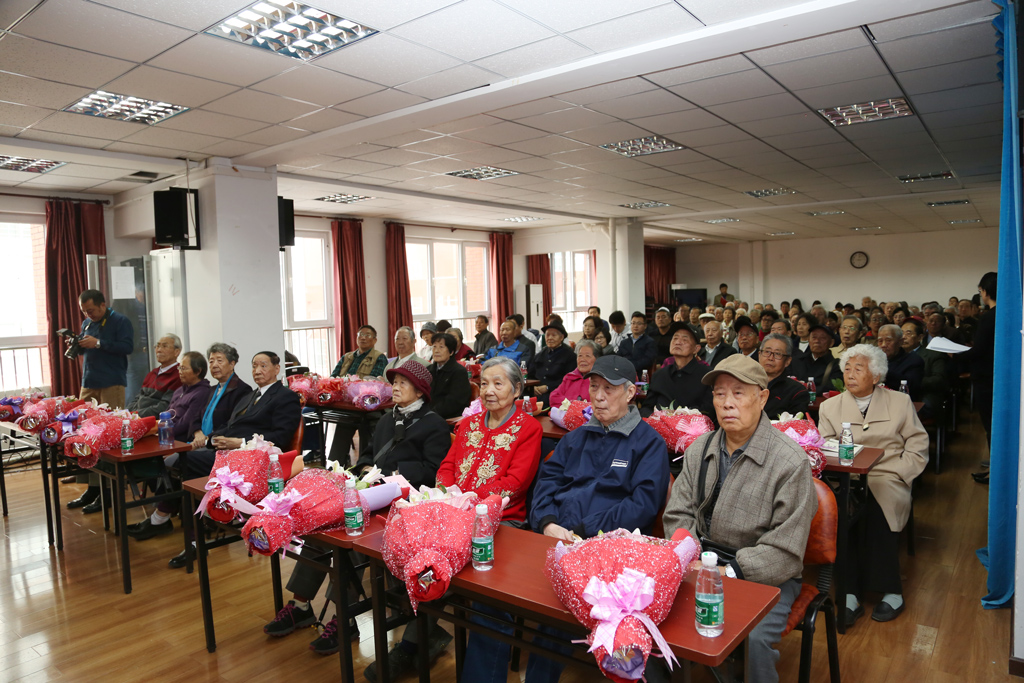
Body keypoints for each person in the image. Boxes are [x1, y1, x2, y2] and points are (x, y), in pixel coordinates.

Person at [460, 355, 667, 683]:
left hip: (602, 552)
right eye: (594, 387)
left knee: (556, 611)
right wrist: (547, 522)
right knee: (491, 598)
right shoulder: (577, 437)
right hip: (551, 538)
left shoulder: (648, 444)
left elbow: (641, 506)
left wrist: (581, 531)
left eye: (609, 389)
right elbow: (546, 483)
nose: (598, 396)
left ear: (630, 393)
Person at [267, 361, 451, 658]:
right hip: (370, 493)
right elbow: (366, 455)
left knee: (352, 535)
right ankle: (301, 605)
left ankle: (346, 617)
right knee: (320, 522)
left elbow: (432, 471)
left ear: (420, 391)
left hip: (403, 503)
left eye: (402, 383)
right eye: (394, 382)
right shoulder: (386, 419)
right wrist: (365, 469)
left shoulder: (435, 425)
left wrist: (391, 474)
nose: (395, 388)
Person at [662, 354, 816, 683]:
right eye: (719, 394)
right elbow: (678, 513)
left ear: (762, 398)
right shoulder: (700, 448)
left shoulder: (790, 462)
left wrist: (728, 572)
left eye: (738, 393)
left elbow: (786, 550)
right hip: (700, 560)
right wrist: (690, 556)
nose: (727, 403)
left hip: (766, 575)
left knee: (755, 639)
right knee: (655, 612)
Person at [131, 352, 301, 564]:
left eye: (263, 366)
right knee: (180, 461)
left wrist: (238, 442)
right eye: (254, 365)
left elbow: (281, 437)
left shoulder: (286, 397)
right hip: (227, 453)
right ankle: (178, 525)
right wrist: (209, 439)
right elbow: (229, 426)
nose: (257, 371)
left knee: (185, 463)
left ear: (277, 369)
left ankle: (189, 536)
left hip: (252, 461)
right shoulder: (251, 396)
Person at [818, 345, 928, 626]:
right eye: (847, 368)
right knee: (842, 517)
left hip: (888, 475)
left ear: (876, 376)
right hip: (846, 478)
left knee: (878, 512)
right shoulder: (829, 406)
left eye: (859, 369)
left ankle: (892, 590)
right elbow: (822, 446)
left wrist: (901, 473)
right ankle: (849, 593)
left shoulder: (900, 402)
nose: (850, 374)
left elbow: (917, 445)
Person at [71, 289, 134, 408]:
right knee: (83, 415)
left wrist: (98, 343)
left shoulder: (120, 321)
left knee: (111, 417)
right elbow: (85, 350)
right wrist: (76, 344)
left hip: (111, 382)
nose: (87, 315)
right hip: (89, 380)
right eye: (84, 311)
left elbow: (127, 347)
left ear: (102, 305)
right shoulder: (86, 323)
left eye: (90, 311)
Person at [962, 272, 996, 482]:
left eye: (981, 291)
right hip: (995, 375)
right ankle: (996, 467)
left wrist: (957, 354)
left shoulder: (988, 317)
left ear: (985, 292)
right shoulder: (1007, 313)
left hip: (986, 378)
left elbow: (979, 351)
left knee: (991, 426)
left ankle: (995, 471)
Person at [641, 322, 712, 420]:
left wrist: (681, 417)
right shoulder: (659, 375)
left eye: (684, 339)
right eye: (675, 338)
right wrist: (654, 419)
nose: (678, 342)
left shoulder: (707, 376)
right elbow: (647, 407)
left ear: (696, 349)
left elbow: (710, 410)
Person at [901, 318, 949, 420]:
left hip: (924, 393)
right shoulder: (895, 355)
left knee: (923, 406)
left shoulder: (933, 355)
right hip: (899, 393)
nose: (903, 337)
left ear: (920, 337)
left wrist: (913, 382)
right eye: (901, 333)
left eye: (908, 333)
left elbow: (938, 379)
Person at [126, 333, 183, 417]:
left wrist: (136, 414)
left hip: (155, 420)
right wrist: (127, 412)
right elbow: (138, 398)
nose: (159, 350)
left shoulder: (179, 375)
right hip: (138, 417)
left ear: (176, 352)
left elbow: (164, 406)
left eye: (164, 346)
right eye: (157, 346)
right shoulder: (152, 373)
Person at [759, 334, 810, 419]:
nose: (770, 358)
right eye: (767, 352)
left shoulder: (797, 391)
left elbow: (796, 424)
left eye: (777, 354)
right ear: (759, 355)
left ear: (787, 361)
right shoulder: (746, 383)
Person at [165, 351, 212, 441]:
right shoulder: (179, 390)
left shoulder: (202, 393)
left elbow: (186, 423)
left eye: (183, 368)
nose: (180, 372)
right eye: (179, 368)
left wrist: (165, 432)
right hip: (165, 433)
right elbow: (167, 413)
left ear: (198, 371)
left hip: (179, 438)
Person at [528, 322, 575, 407]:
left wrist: (548, 387)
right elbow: (530, 375)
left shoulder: (570, 355)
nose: (550, 338)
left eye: (553, 335)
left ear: (561, 337)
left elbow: (569, 379)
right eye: (547, 335)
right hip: (536, 391)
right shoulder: (540, 355)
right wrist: (532, 387)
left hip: (555, 392)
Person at [426, 333, 472, 419]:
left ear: (451, 352)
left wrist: (430, 414)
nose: (436, 351)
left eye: (441, 347)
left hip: (448, 417)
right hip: (428, 415)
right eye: (434, 346)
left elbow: (454, 401)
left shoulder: (459, 371)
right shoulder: (428, 370)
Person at [877, 324, 923, 398]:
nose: (883, 345)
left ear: (900, 342)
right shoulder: (874, 359)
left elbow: (911, 387)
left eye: (888, 340)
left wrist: (883, 371)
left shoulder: (913, 360)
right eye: (880, 341)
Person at [792, 325, 842, 392]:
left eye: (822, 338)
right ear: (809, 340)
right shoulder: (797, 360)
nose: (817, 341)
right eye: (814, 337)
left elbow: (832, 388)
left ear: (831, 343)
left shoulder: (837, 365)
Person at [549, 339, 599, 405]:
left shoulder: (600, 380)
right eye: (580, 355)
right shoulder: (570, 377)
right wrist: (572, 404)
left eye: (587, 356)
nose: (582, 359)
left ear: (597, 359)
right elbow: (553, 397)